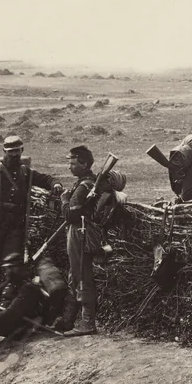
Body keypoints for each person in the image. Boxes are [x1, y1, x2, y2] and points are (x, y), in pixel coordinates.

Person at [0, 135, 62, 290]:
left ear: (22, 151)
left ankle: (8, 297)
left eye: (17, 152)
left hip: (15, 227)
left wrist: (56, 183)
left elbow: (45, 179)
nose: (14, 155)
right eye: (10, 152)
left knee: (11, 264)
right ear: (4, 151)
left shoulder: (25, 172)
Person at [55, 144, 105, 337]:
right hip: (80, 232)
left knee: (82, 275)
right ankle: (71, 319)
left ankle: (87, 322)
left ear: (84, 164)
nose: (69, 167)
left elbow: (70, 215)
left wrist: (65, 199)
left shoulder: (84, 187)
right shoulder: (88, 182)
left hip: (80, 233)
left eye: (73, 163)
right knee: (76, 275)